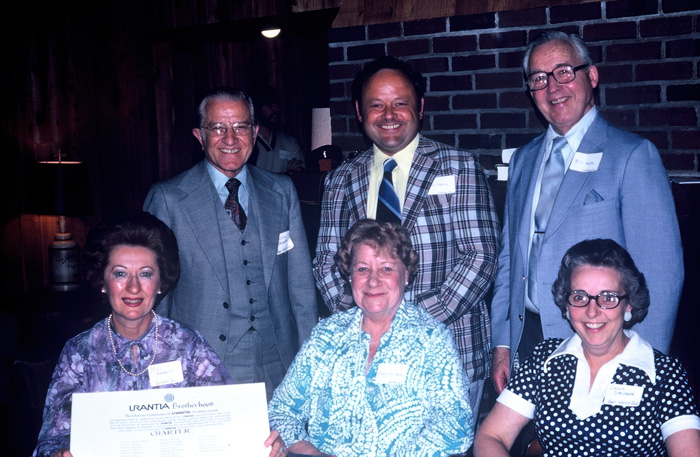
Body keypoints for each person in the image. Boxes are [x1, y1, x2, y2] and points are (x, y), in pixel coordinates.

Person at [490, 31, 683, 395]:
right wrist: (503, 345)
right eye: (539, 78)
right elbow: (508, 261)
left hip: (602, 344)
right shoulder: (522, 160)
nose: (553, 87)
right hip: (527, 340)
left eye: (564, 71)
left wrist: (641, 366)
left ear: (591, 77)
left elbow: (661, 273)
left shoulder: (632, 155)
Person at [313, 56, 499, 420]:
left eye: (400, 103)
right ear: (359, 111)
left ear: (420, 107)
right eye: (376, 105)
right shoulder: (340, 180)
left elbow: (481, 257)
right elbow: (325, 262)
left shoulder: (458, 167)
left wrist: (403, 321)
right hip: (365, 355)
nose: (389, 114)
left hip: (450, 350)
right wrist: (362, 321)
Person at [144, 87, 318, 400]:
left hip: (278, 360)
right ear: (199, 135)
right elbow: (156, 298)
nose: (230, 138)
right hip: (200, 364)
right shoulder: (168, 198)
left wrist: (308, 362)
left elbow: (301, 287)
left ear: (254, 132)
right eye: (218, 128)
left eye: (240, 127)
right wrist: (160, 369)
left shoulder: (282, 191)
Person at [32, 212, 233, 457]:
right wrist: (58, 453)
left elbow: (227, 423)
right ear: (102, 281)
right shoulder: (80, 352)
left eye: (146, 273)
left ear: (160, 283)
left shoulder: (189, 346)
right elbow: (52, 438)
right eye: (120, 273)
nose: (134, 287)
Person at [475, 239, 700, 457]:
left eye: (608, 298)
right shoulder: (545, 359)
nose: (592, 312)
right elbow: (490, 436)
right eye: (580, 296)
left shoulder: (663, 373)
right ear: (566, 305)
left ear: (629, 303)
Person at [268, 219, 473, 456]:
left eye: (386, 268)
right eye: (362, 269)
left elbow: (456, 424)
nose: (373, 280)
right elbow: (282, 411)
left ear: (405, 275)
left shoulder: (432, 339)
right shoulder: (327, 336)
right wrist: (315, 454)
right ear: (350, 276)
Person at [250, 85, 304, 174]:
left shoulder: (289, 142)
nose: (277, 109)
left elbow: (298, 175)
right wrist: (286, 174)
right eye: (270, 105)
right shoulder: (248, 143)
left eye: (277, 105)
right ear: (257, 108)